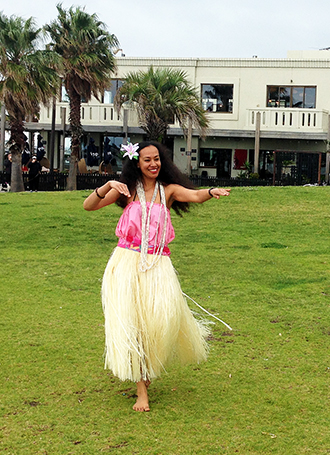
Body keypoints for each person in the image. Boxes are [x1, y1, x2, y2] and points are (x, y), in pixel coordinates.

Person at [83, 140, 231, 412]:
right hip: (127, 264)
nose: (153, 164)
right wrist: (107, 186)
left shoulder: (169, 190)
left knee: (158, 323)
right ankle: (141, 391)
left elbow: (195, 196)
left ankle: (147, 369)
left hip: (159, 265)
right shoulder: (126, 191)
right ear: (136, 163)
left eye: (157, 159)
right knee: (135, 325)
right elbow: (89, 206)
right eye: (147, 160)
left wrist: (211, 191)